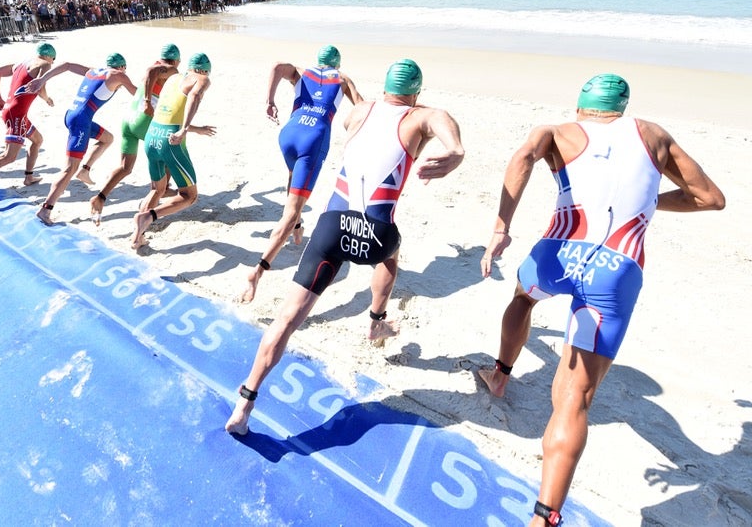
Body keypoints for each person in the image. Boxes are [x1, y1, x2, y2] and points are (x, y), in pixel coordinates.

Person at [475, 74, 725, 527]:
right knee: (573, 400)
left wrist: (500, 228)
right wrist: (647, 202)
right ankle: (544, 517)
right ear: (622, 109)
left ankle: (499, 376)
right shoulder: (653, 135)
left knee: (523, 298)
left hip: (556, 255)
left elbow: (523, 157)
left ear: (580, 106)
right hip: (615, 270)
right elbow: (710, 198)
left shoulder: (555, 132)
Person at [225, 59, 465, 436]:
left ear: (384, 88)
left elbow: (366, 118)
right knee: (390, 252)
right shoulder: (419, 118)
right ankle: (375, 322)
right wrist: (455, 150)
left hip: (331, 230)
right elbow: (440, 118)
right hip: (375, 235)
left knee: (287, 319)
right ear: (416, 93)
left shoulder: (360, 112)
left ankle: (244, 402)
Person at [241, 44, 362, 303]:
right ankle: (258, 271)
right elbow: (361, 108)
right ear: (337, 64)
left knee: (293, 179)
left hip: (289, 134)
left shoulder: (301, 72)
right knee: (293, 208)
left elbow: (275, 66)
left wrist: (269, 101)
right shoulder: (342, 79)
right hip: (313, 141)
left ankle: (297, 228)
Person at [0, 43, 77, 205]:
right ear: (50, 56)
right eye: (53, 59)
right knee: (9, 156)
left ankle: (29, 177)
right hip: (17, 115)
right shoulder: (45, 64)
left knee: (37, 140)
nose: (53, 62)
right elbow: (40, 87)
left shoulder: (21, 64)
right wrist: (47, 99)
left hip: (11, 110)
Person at [36, 53, 138, 224]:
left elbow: (67, 63)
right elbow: (137, 94)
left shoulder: (93, 71)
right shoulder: (117, 75)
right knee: (69, 169)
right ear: (121, 67)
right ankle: (46, 209)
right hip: (81, 122)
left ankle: (85, 170)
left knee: (107, 138)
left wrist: (43, 79)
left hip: (72, 115)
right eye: (124, 69)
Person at [88, 43, 182, 224]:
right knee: (168, 157)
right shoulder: (169, 69)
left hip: (129, 122)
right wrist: (148, 100)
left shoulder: (159, 68)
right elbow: (152, 71)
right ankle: (151, 205)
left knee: (125, 167)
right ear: (176, 59)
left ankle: (100, 197)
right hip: (144, 123)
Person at [130, 53, 217, 248]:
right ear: (203, 70)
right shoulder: (202, 78)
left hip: (152, 135)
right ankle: (149, 216)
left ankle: (137, 237)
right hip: (170, 142)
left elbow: (170, 114)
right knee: (189, 196)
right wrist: (185, 129)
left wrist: (195, 129)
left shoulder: (173, 77)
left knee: (157, 189)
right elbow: (194, 96)